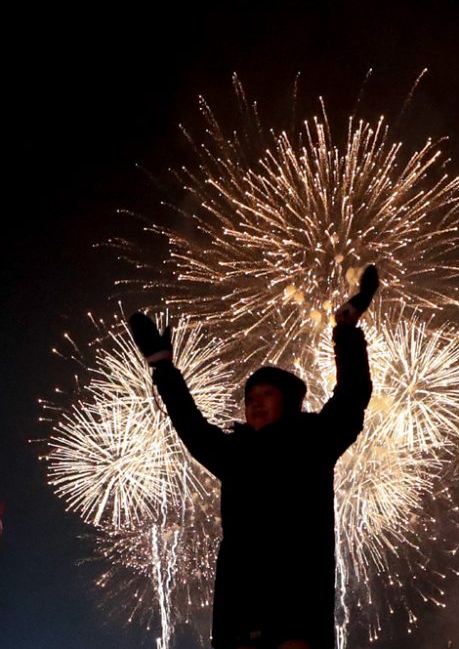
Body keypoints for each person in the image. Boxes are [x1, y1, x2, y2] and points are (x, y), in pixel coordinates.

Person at [128, 265, 379, 649]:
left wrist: (346, 330)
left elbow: (352, 395)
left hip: (298, 611)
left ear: (290, 402)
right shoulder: (234, 454)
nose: (254, 404)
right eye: (249, 399)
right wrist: (163, 365)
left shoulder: (314, 440)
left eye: (266, 395)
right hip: (239, 611)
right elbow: (190, 425)